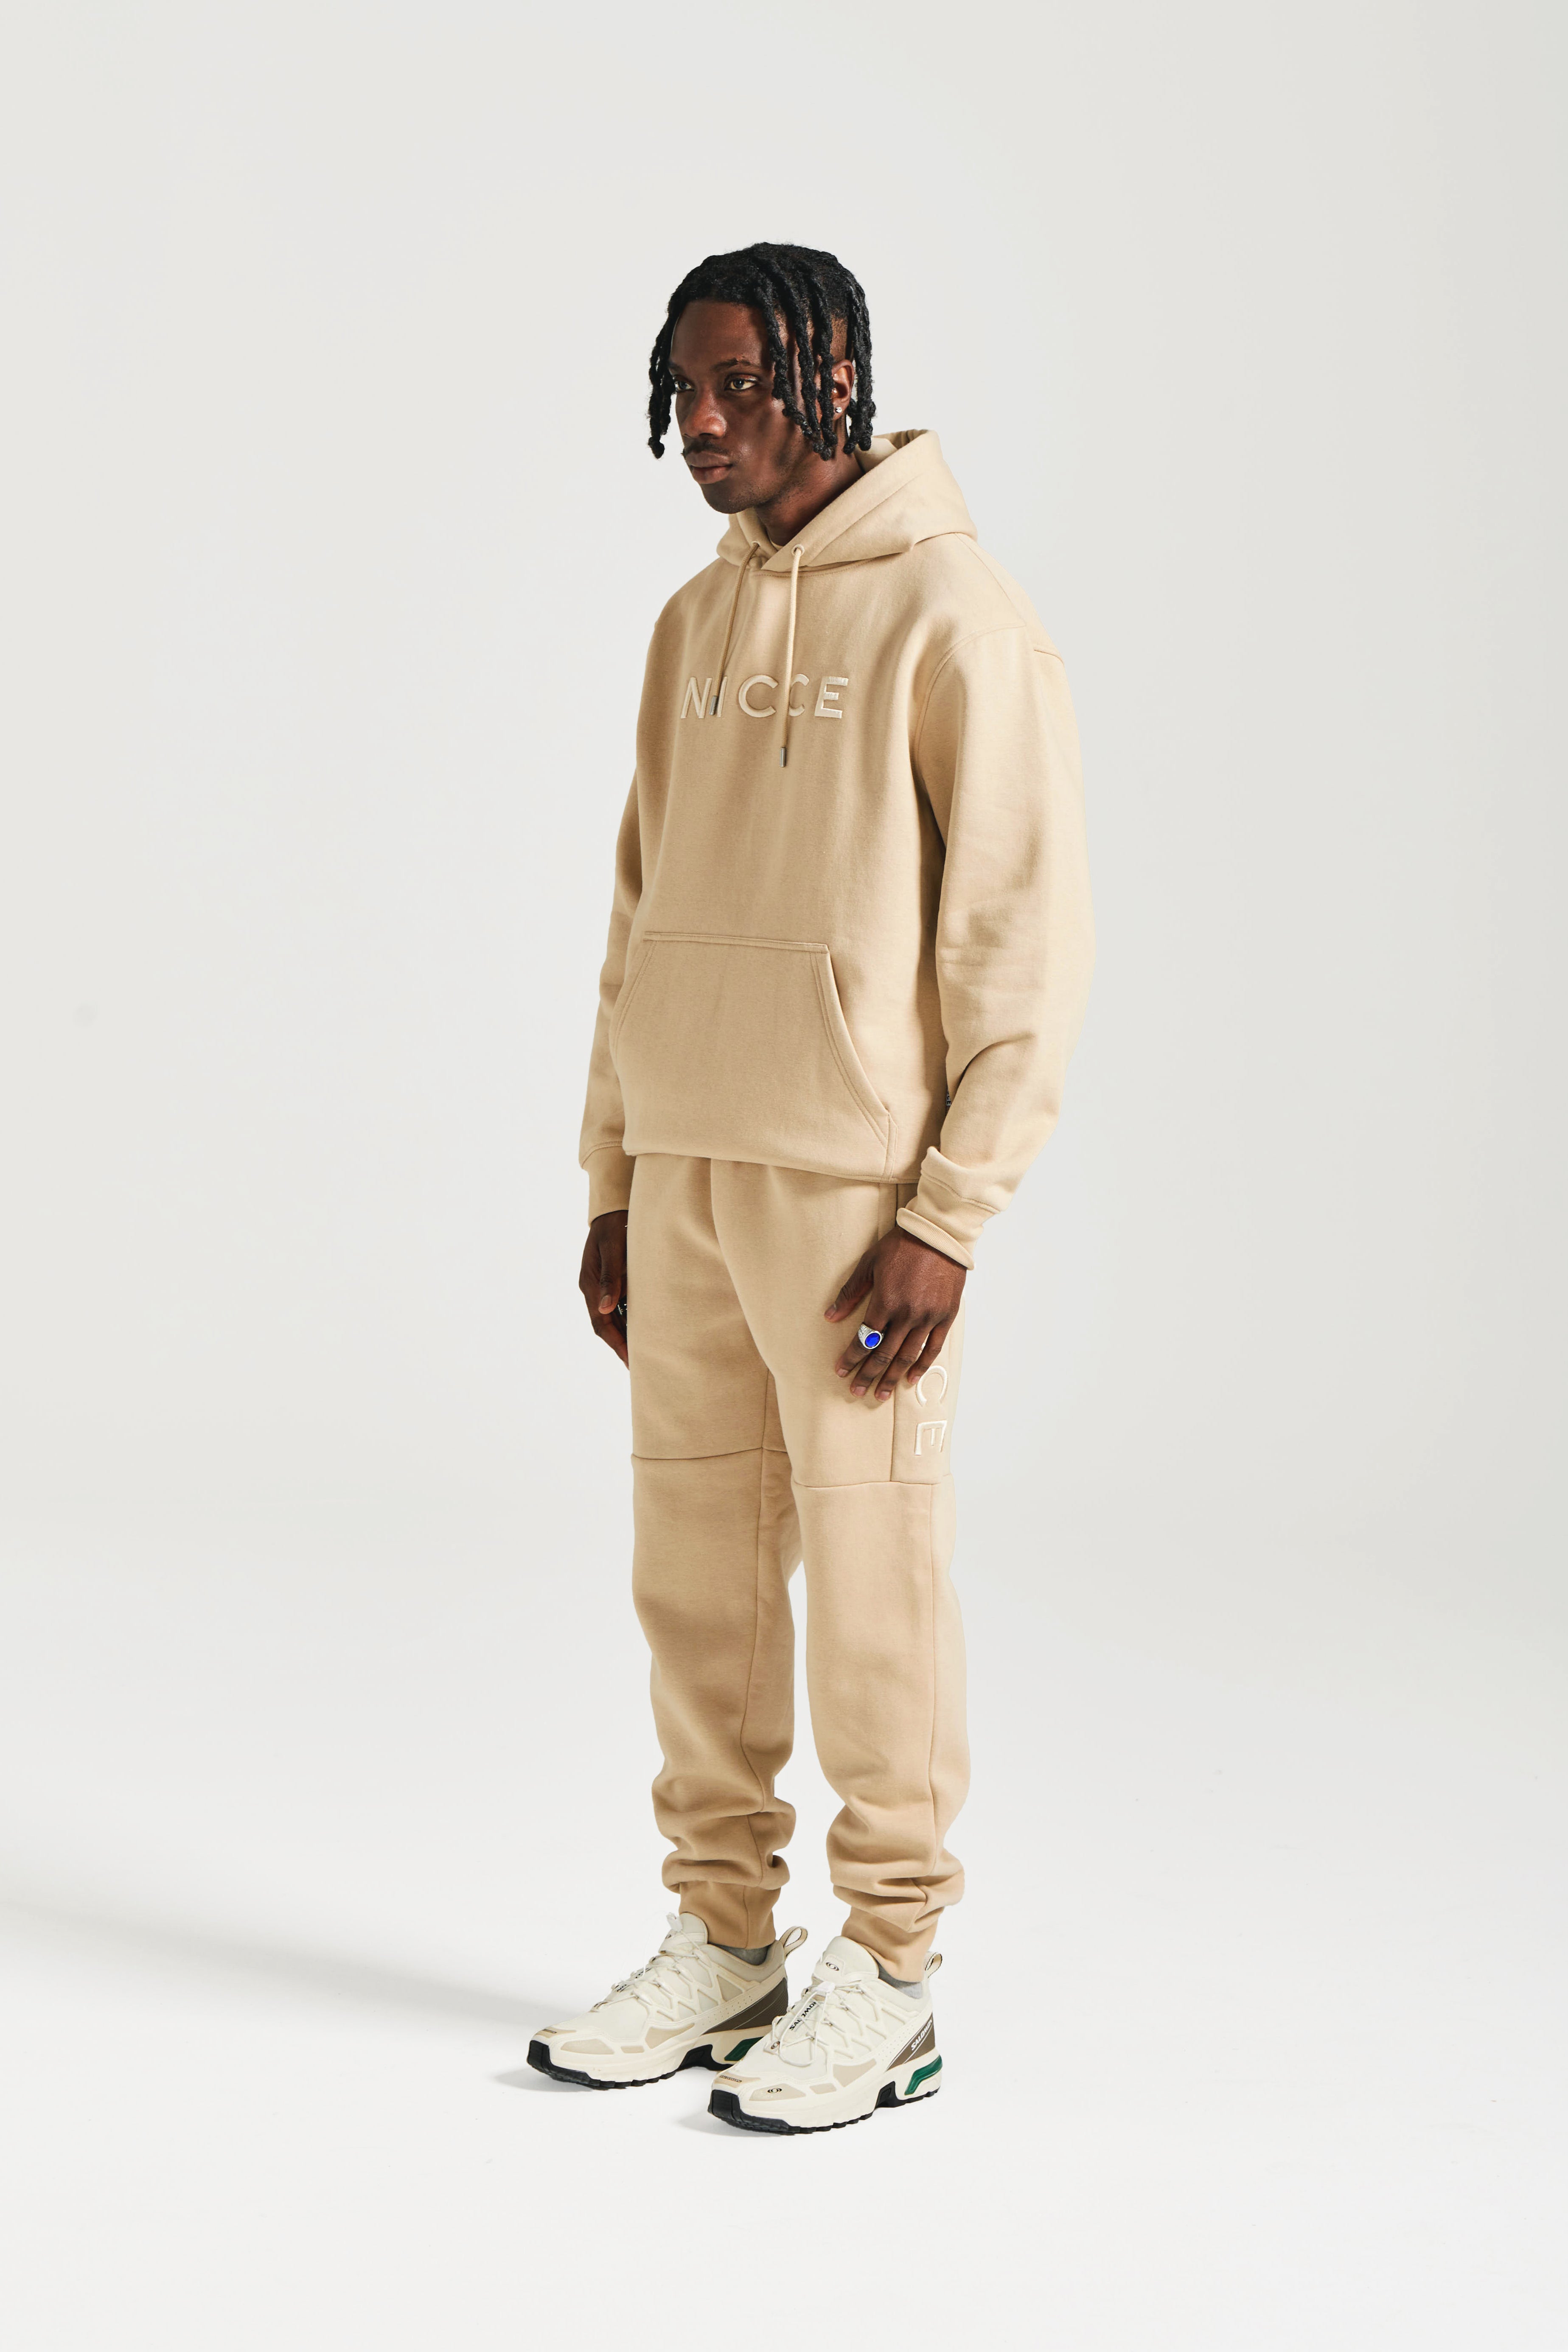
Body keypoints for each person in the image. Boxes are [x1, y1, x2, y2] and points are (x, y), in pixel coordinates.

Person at [528, 244, 1094, 2133]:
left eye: (743, 386)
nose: (703, 425)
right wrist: (616, 1175)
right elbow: (636, 921)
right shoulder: (692, 623)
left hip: (855, 1206)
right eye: (681, 391)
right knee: (693, 1581)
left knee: (871, 1582)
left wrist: (948, 1217)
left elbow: (1024, 947)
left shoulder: (956, 617)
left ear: (837, 374)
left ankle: (897, 1967)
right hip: (689, 1169)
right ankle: (725, 1938)